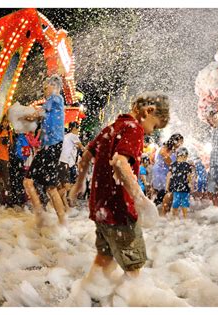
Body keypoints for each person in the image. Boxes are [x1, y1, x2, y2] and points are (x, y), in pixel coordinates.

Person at [67, 91, 170, 301]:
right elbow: (120, 162)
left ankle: (85, 297)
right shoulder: (134, 128)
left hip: (101, 206)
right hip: (120, 208)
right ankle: (131, 302)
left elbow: (86, 155)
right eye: (155, 125)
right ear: (148, 111)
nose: (152, 131)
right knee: (134, 265)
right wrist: (140, 200)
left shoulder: (112, 127)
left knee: (104, 257)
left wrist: (78, 185)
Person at [22, 75, 67, 226]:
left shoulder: (56, 98)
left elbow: (37, 114)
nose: (44, 90)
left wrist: (21, 115)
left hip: (52, 147)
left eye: (45, 87)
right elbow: (40, 117)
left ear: (54, 87)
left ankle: (41, 216)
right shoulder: (54, 106)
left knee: (29, 182)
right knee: (50, 187)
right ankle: (61, 223)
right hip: (51, 147)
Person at [152, 133, 184, 214]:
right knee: (166, 190)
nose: (180, 144)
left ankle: (157, 207)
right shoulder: (165, 147)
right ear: (174, 141)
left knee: (165, 191)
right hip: (160, 171)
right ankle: (160, 209)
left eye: (182, 142)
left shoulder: (175, 150)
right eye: (179, 142)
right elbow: (164, 156)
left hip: (167, 172)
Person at [59, 121, 84, 210]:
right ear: (74, 128)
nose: (78, 131)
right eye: (78, 129)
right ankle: (56, 200)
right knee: (67, 186)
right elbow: (82, 148)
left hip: (61, 162)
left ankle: (65, 207)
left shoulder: (66, 136)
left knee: (63, 186)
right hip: (65, 163)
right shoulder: (74, 136)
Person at [166, 147, 193, 219]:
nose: (186, 158)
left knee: (175, 203)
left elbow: (168, 176)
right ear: (183, 156)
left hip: (176, 188)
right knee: (184, 204)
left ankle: (173, 218)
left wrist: (167, 186)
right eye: (186, 156)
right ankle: (185, 218)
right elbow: (189, 177)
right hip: (185, 188)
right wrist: (190, 185)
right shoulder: (187, 165)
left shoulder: (173, 165)